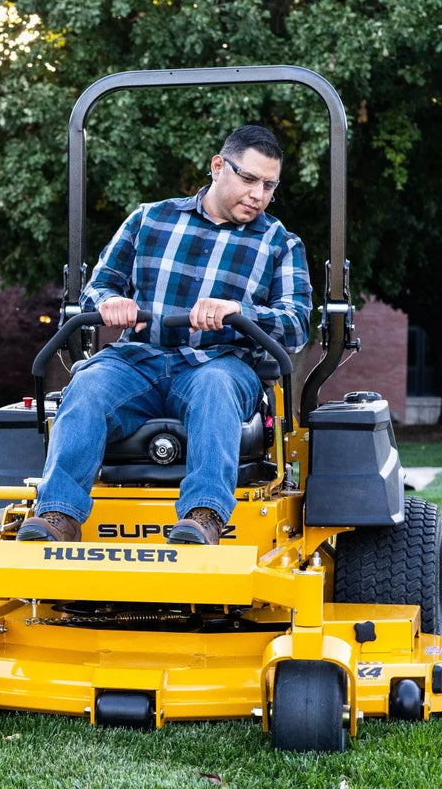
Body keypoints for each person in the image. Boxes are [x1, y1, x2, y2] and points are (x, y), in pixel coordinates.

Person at [17, 124, 312, 545]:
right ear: (217, 166)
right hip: (137, 360)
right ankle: (58, 516)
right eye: (248, 179)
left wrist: (238, 311)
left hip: (219, 363)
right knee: (87, 384)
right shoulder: (148, 218)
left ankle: (203, 517)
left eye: (268, 185)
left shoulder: (280, 243)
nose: (258, 194)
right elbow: (98, 288)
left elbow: (297, 322)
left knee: (214, 387)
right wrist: (108, 304)